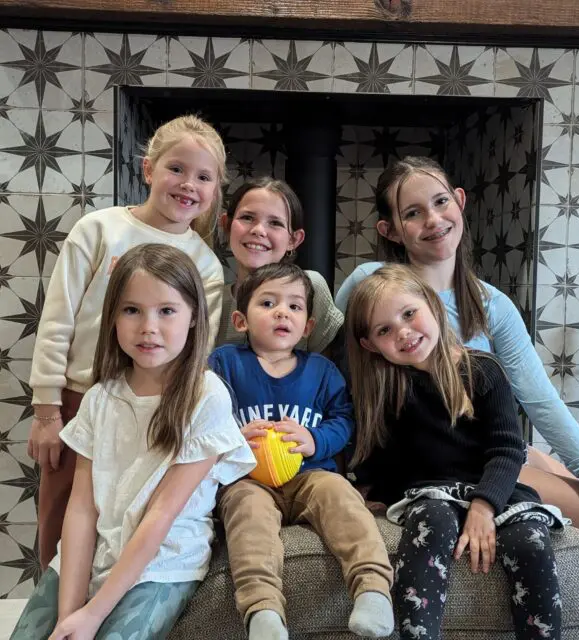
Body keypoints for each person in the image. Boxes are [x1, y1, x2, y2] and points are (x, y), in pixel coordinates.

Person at [335, 156, 579, 578]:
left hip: (490, 451)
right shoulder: (371, 285)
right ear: (389, 230)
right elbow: (331, 377)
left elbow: (542, 403)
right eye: (412, 212)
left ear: (460, 201)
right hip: (440, 462)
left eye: (441, 201)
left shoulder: (492, 305)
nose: (433, 219)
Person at [11, 244, 255, 640]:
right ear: (113, 319)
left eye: (167, 311)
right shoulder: (100, 398)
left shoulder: (206, 396)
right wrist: (70, 612)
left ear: (194, 316)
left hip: (161, 564)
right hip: (90, 554)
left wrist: (94, 615)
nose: (148, 327)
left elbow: (161, 517)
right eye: (132, 310)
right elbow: (82, 509)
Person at [28, 114, 229, 569]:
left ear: (215, 190)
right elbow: (57, 320)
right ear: (148, 170)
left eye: (203, 177)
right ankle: (56, 614)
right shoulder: (99, 229)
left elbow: (197, 353)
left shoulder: (206, 266)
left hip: (152, 410)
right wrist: (45, 409)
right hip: (77, 400)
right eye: (176, 169)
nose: (187, 185)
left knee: (128, 518)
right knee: (60, 518)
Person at [346, 264, 565, 640]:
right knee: (433, 520)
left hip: (494, 487)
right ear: (370, 345)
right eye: (384, 330)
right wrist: (369, 493)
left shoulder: (484, 371)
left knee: (530, 540)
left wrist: (484, 506)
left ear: (432, 305)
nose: (403, 332)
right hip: (428, 492)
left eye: (409, 314)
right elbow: (379, 455)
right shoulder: (384, 389)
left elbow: (507, 448)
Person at [210, 263, 394, 640]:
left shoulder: (323, 371)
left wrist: (315, 440)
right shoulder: (224, 363)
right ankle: (262, 611)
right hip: (249, 480)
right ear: (241, 320)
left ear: (308, 326)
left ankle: (373, 589)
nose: (282, 312)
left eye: (294, 307)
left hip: (312, 475)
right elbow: (203, 418)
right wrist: (234, 435)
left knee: (342, 497)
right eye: (268, 303)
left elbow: (345, 421)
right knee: (246, 513)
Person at [215, 176, 343, 352]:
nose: (258, 230)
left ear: (294, 239)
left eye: (275, 223)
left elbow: (330, 363)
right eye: (247, 217)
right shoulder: (213, 299)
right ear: (227, 226)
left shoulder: (311, 287)